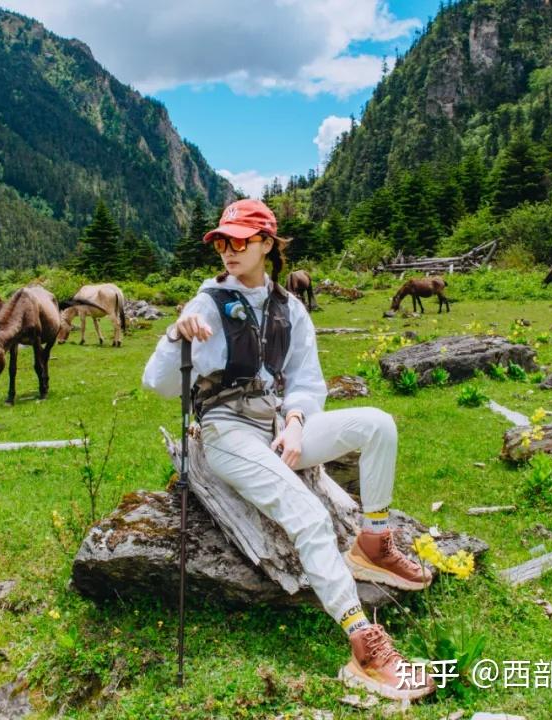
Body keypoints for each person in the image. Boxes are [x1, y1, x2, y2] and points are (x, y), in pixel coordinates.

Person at [142, 199, 436, 701]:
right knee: (309, 515)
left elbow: (306, 380)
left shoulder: (290, 308)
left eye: (240, 241)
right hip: (226, 432)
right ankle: (362, 641)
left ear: (267, 245)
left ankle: (373, 541)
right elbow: (158, 385)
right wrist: (176, 335)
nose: (228, 251)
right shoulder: (207, 304)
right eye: (221, 242)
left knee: (378, 424)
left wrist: (297, 423)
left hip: (278, 425)